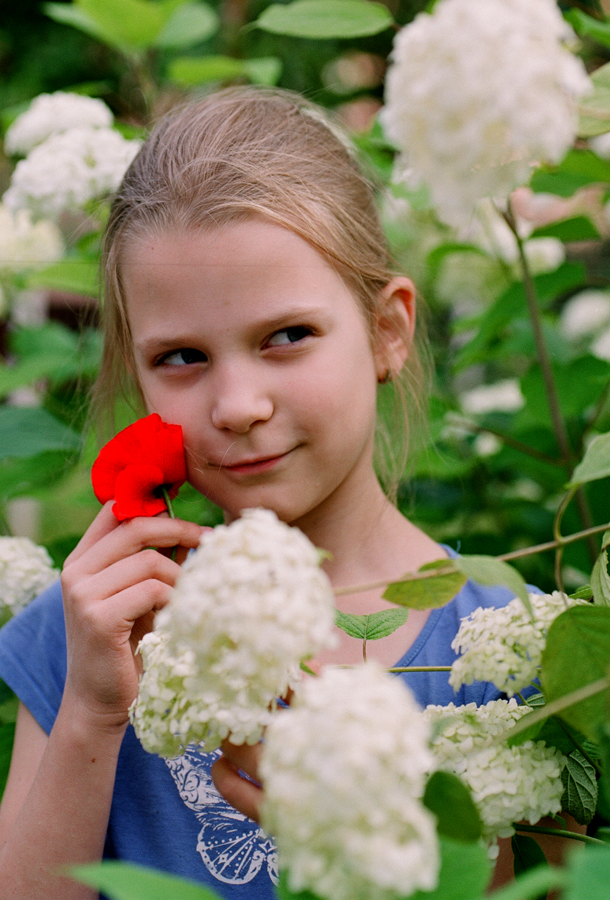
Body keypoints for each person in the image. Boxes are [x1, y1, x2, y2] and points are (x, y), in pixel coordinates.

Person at [0, 87, 557, 900]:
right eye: (182, 357)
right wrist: (90, 708)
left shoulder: (508, 654)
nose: (237, 405)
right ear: (136, 374)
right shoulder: (92, 629)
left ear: (387, 331)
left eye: (286, 337)